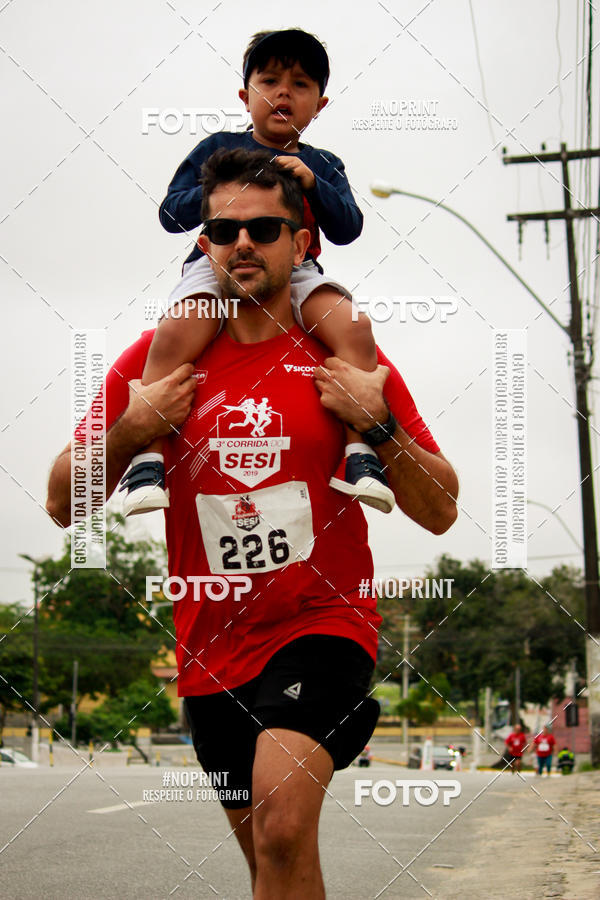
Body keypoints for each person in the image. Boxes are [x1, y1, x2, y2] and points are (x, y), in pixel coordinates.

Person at [46, 149, 459, 898]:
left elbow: (442, 510)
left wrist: (380, 427)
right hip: (211, 649)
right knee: (277, 859)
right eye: (223, 230)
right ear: (203, 246)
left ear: (300, 245)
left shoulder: (343, 355)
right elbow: (60, 502)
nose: (243, 243)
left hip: (322, 623)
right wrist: (132, 430)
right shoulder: (156, 361)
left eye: (264, 229)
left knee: (281, 822)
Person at [122, 27, 395, 518]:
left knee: (354, 326)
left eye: (300, 84)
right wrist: (231, 184)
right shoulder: (217, 147)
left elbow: (349, 228)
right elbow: (170, 213)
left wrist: (314, 185)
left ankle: (360, 456)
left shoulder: (324, 163)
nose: (283, 93)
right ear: (246, 97)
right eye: (269, 81)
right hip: (218, 262)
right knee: (175, 330)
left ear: (320, 105)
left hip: (296, 268)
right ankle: (148, 460)